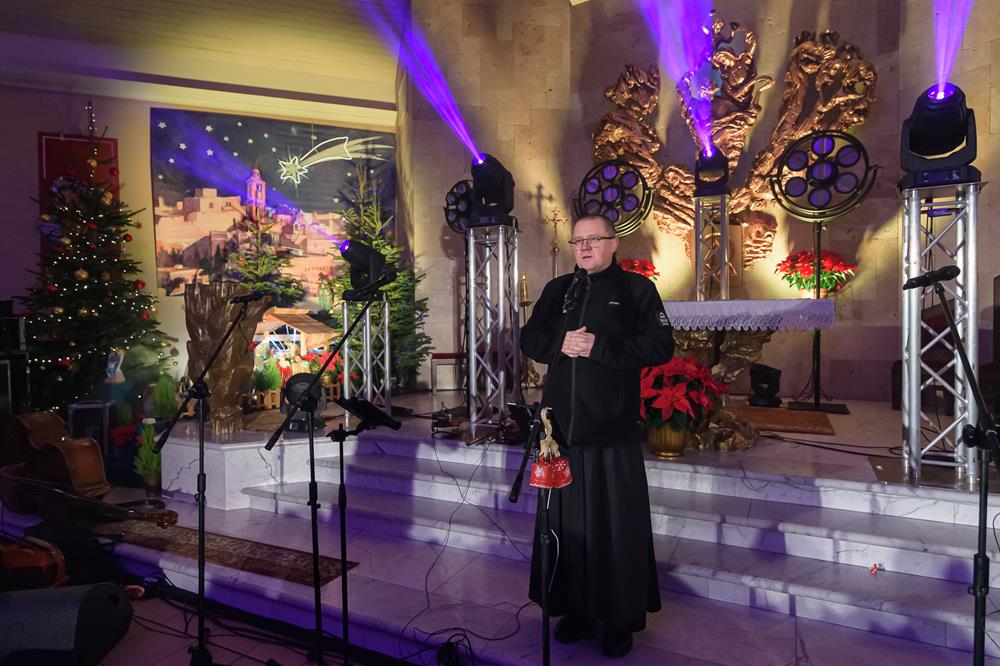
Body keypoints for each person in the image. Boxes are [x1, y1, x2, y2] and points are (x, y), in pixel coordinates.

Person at [521, 215, 675, 658]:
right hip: (561, 435)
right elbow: (530, 338)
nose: (585, 247)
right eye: (578, 241)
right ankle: (577, 611)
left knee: (614, 531)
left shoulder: (636, 290)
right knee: (567, 528)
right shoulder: (558, 290)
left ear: (613, 243)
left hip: (611, 433)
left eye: (594, 239)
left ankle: (619, 620)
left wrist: (598, 347)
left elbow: (661, 347)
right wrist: (560, 343)